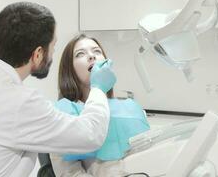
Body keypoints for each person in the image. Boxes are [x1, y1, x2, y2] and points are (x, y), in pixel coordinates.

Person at [0, 2, 117, 177]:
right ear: (37, 55)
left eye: (96, 51)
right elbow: (91, 135)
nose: (91, 57)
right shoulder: (21, 102)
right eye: (52, 47)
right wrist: (99, 87)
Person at [48, 34, 150, 177]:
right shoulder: (63, 114)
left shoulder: (131, 108)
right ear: (69, 69)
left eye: (97, 51)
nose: (91, 56)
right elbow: (69, 173)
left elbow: (149, 156)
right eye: (80, 54)